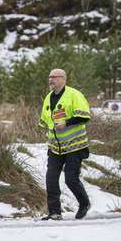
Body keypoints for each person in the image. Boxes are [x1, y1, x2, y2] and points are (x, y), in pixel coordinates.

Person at [40, 69, 92, 220]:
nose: (51, 80)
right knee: (51, 179)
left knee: (71, 179)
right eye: (49, 77)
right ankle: (55, 212)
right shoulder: (48, 98)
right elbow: (45, 120)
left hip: (75, 146)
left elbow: (84, 116)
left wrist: (66, 123)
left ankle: (84, 203)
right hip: (55, 147)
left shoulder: (74, 94)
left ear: (63, 79)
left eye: (54, 77)